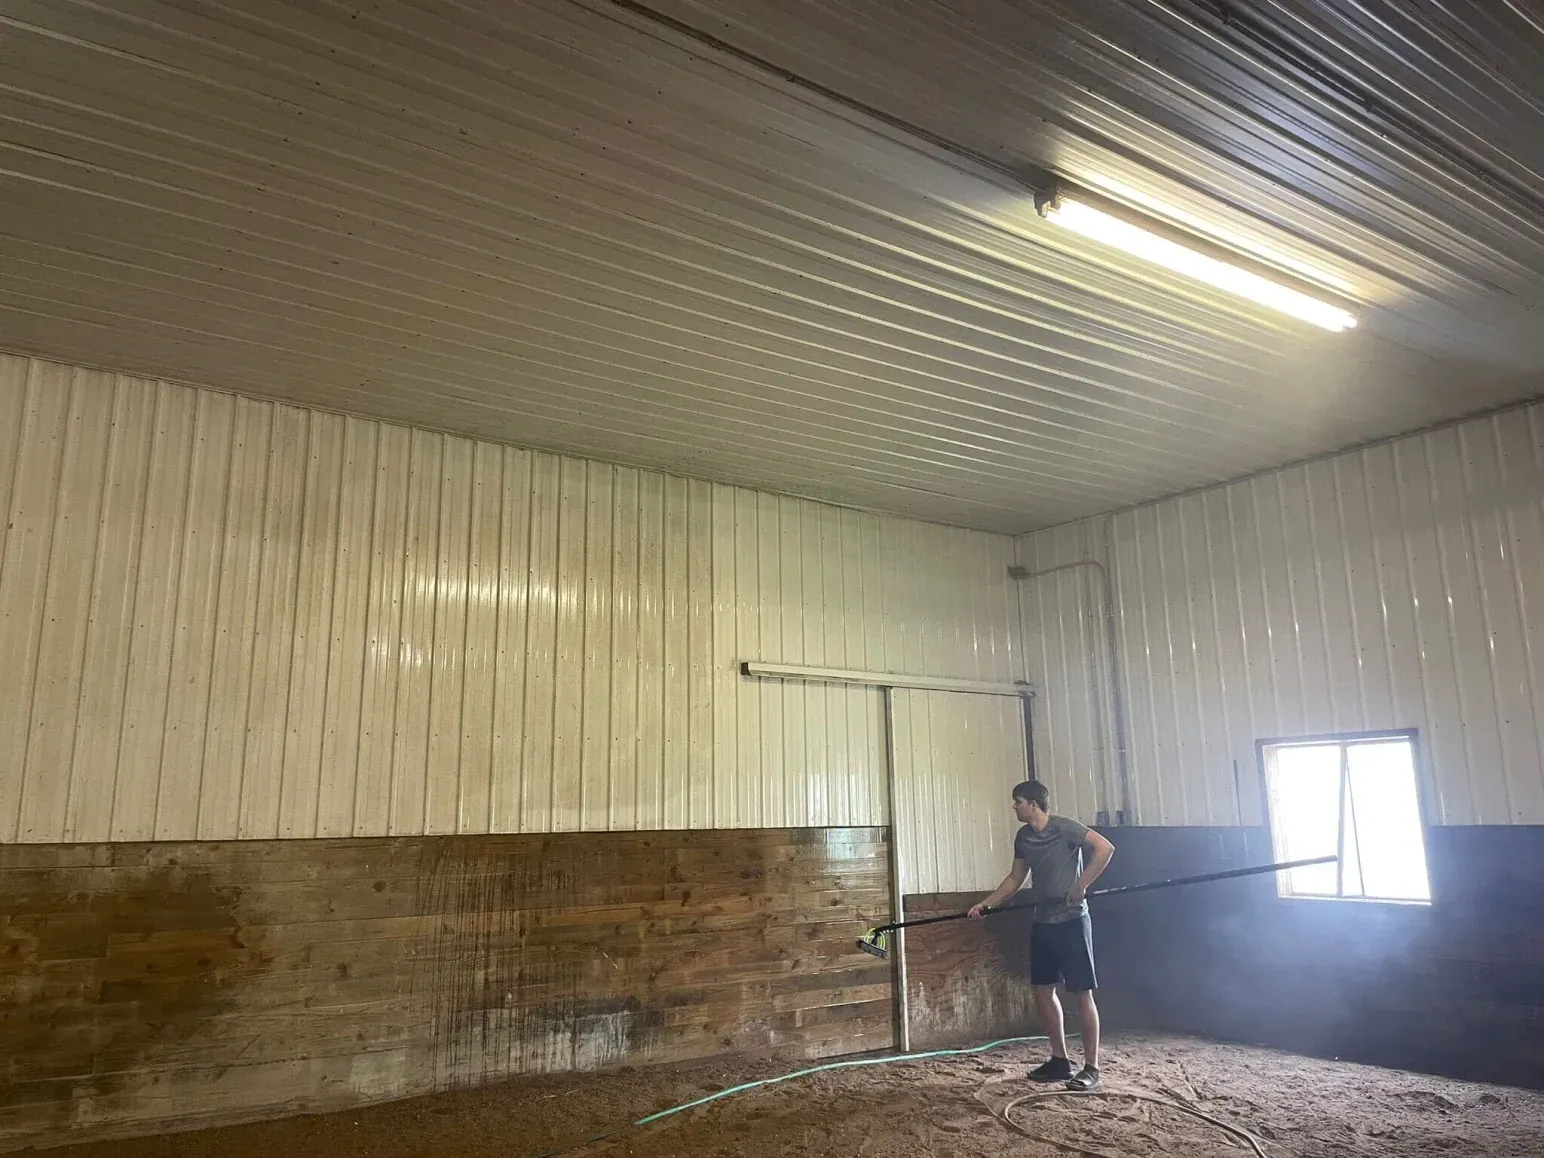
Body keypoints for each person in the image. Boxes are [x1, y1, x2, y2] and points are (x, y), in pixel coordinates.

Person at [968, 779, 1114, 1091]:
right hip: (1043, 921)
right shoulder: (1024, 837)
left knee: (1082, 992)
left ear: (1033, 804)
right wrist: (986, 904)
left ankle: (1091, 1067)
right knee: (1042, 990)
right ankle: (1060, 1060)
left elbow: (1105, 848)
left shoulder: (1065, 828)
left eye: (1018, 802)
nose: (1014, 807)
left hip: (1072, 920)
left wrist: (1081, 885)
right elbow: (1015, 878)